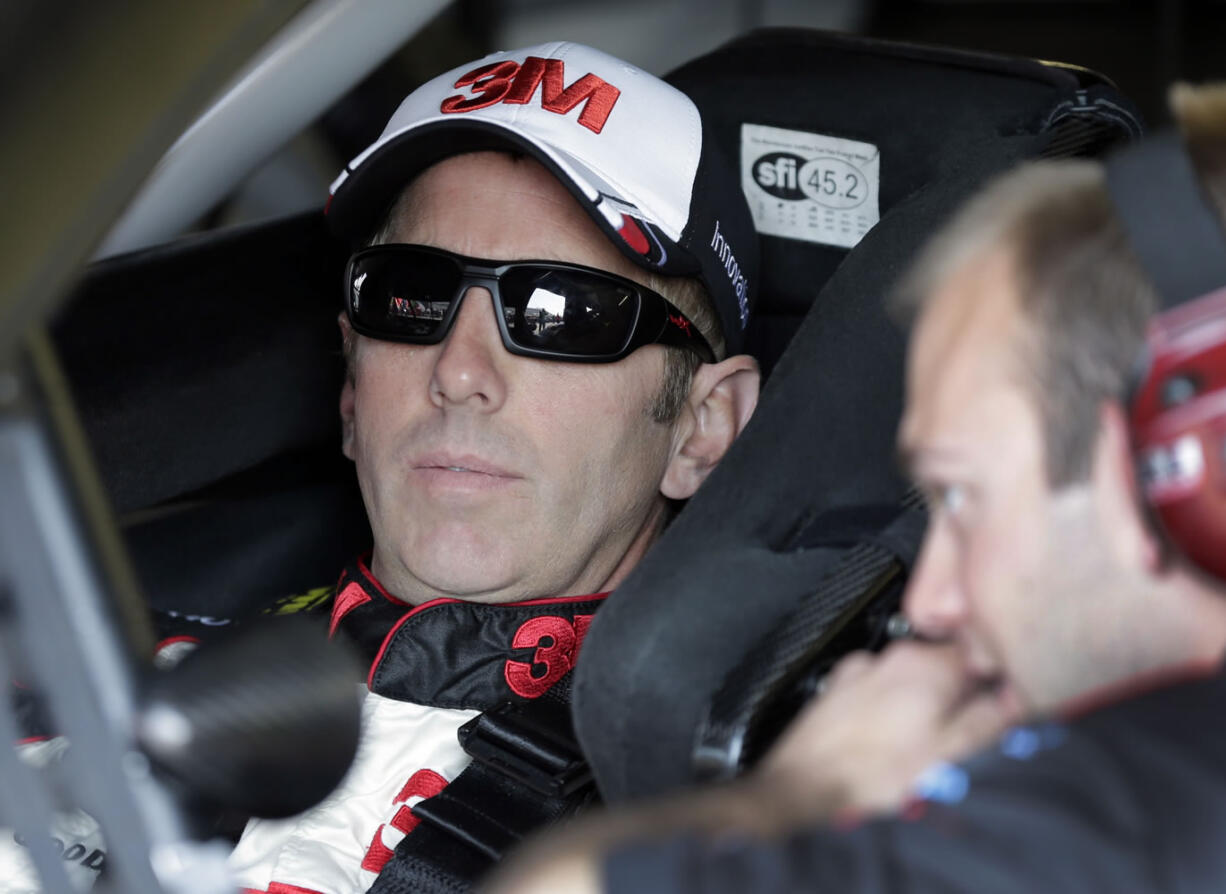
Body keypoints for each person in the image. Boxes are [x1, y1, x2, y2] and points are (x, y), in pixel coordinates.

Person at [482, 82, 1226, 894]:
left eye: (963, 498)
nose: (933, 602)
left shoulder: (1111, 823)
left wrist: (811, 790)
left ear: (1184, 471)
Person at [225, 42, 761, 894]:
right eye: (411, 297)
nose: (459, 372)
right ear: (352, 389)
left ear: (702, 429)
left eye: (560, 311)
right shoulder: (113, 665)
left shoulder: (707, 838)